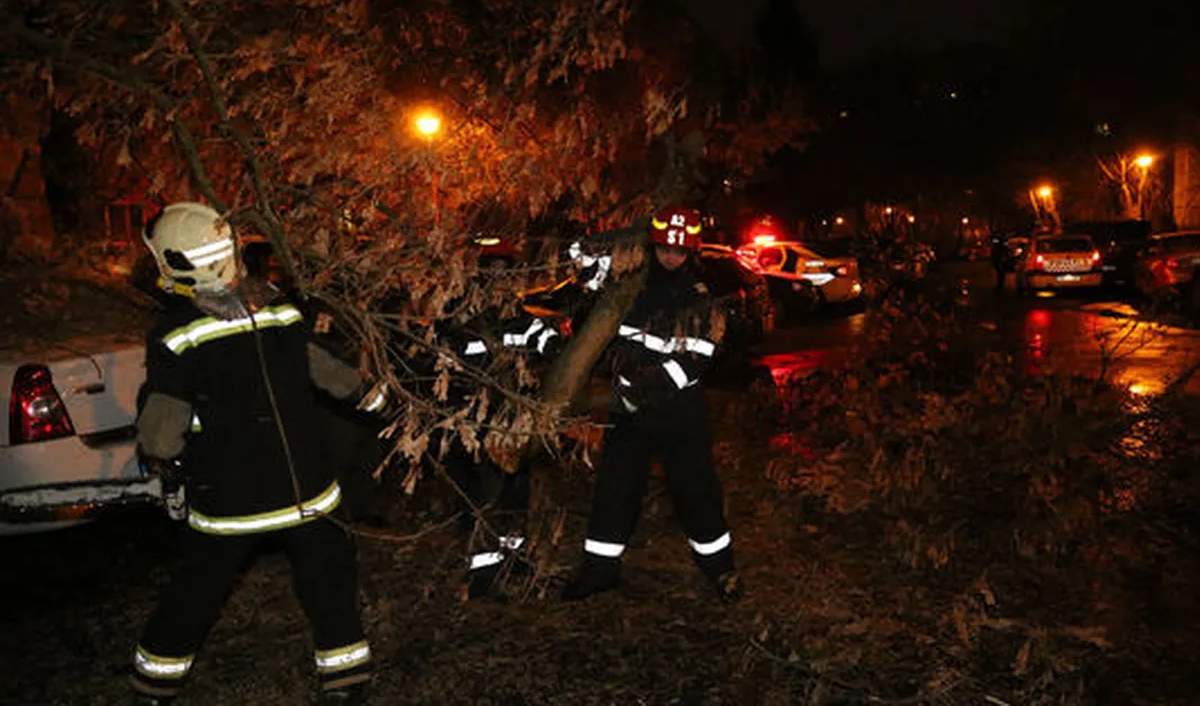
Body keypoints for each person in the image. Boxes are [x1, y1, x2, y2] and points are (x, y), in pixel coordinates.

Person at [129, 202, 377, 705]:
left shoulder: (176, 334)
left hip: (229, 501)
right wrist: (379, 401)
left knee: (196, 591)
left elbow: (160, 433)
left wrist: (164, 460)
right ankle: (347, 681)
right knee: (329, 584)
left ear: (173, 264)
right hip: (307, 489)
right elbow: (333, 375)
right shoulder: (280, 310)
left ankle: (154, 685)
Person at [562, 205, 741, 603]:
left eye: (679, 250)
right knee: (616, 489)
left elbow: (695, 361)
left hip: (679, 415)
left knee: (696, 492)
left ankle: (721, 571)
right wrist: (629, 236)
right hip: (629, 415)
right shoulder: (629, 284)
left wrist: (641, 389)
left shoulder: (700, 298)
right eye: (663, 248)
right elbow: (578, 256)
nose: (670, 257)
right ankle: (598, 572)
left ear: (691, 251)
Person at [401, 262, 567, 600]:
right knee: (482, 498)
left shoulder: (516, 318)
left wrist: (556, 346)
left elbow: (545, 340)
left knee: (514, 494)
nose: (502, 290)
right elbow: (437, 374)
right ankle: (483, 576)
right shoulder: (452, 324)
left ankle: (512, 557)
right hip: (470, 429)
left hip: (507, 424)